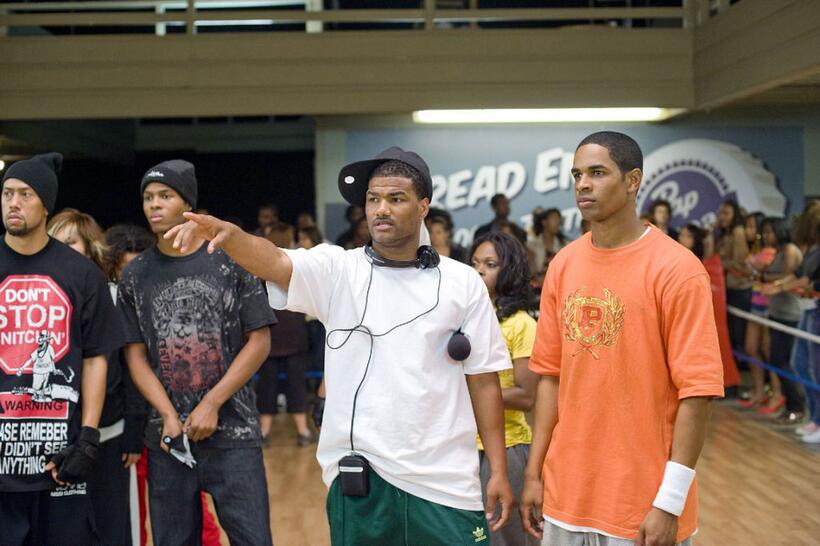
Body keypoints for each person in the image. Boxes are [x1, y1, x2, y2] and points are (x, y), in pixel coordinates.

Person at [165, 146, 515, 545]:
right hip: (363, 479)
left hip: (447, 483)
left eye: (396, 199)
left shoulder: (462, 282)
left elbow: (484, 380)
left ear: (423, 207)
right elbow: (277, 261)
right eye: (372, 199)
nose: (381, 209)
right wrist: (232, 237)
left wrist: (499, 469)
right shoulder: (338, 270)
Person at [520, 132, 724, 546]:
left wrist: (669, 502)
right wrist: (533, 473)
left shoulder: (677, 270)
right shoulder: (563, 265)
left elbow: (697, 393)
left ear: (633, 181)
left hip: (642, 504)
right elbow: (550, 379)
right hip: (565, 496)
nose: (582, 184)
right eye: (577, 174)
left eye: (597, 173)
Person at [118, 159, 276, 546]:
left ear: (186, 204)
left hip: (234, 431)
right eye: (148, 197)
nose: (154, 205)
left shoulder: (230, 260)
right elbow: (135, 355)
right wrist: (169, 416)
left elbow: (260, 341)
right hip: (168, 438)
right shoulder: (135, 275)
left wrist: (213, 403)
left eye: (165, 196)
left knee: (253, 539)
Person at [0, 153, 123, 544]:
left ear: (45, 203)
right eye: (6, 193)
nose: (13, 203)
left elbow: (95, 358)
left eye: (24, 194)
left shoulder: (80, 272)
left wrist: (88, 435)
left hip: (59, 456)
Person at [47, 210, 148, 546]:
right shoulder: (43, 299)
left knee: (112, 527)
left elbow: (132, 368)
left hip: (110, 436)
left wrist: (134, 431)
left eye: (70, 241)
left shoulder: (115, 296)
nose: (60, 248)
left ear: (91, 248)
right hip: (57, 438)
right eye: (56, 240)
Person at [470, 232, 540, 546]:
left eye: (490, 264)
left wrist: (470, 395)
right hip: (464, 446)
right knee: (477, 537)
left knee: (506, 539)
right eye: (474, 263)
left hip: (508, 446)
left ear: (508, 270)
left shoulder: (521, 324)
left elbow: (526, 396)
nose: (479, 270)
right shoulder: (468, 320)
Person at [258, 223, 316, 446]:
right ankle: (303, 432)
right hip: (295, 333)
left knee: (267, 385)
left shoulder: (261, 267)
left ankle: (264, 433)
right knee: (297, 385)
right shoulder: (297, 265)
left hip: (270, 332)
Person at [678, 225, 741, 397]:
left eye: (688, 236)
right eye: (682, 234)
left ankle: (725, 383)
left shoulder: (707, 263)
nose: (682, 239)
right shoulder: (678, 260)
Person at [755, 217, 804, 423]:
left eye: (769, 231)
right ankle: (791, 404)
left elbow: (790, 276)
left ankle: (797, 405)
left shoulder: (790, 249)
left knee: (783, 361)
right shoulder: (781, 251)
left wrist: (768, 280)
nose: (766, 236)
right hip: (777, 311)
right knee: (776, 359)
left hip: (789, 312)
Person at [716, 200, 751, 352]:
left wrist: (722, 263)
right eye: (721, 213)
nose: (722, 217)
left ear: (734, 215)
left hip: (740, 288)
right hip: (727, 287)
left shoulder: (738, 231)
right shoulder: (725, 233)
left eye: (726, 213)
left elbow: (740, 262)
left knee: (738, 332)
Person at [527, 208, 571, 283]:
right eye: (554, 219)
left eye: (558, 220)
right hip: (539, 289)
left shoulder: (566, 244)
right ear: (544, 222)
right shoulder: (531, 245)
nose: (557, 223)